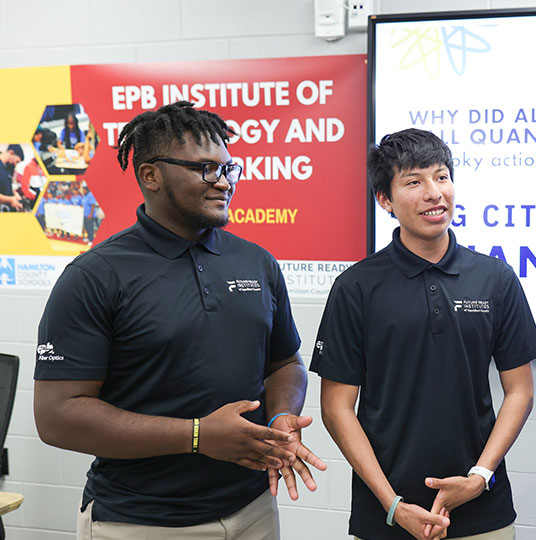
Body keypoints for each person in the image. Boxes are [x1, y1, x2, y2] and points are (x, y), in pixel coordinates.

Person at [34, 101, 326, 539]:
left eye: (230, 169)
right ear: (151, 175)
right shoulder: (96, 275)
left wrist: (281, 417)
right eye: (206, 169)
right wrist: (196, 435)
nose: (224, 182)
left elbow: (285, 364)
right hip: (140, 521)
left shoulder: (256, 262)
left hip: (253, 510)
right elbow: (56, 416)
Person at [311, 128, 536, 540]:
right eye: (414, 182)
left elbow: (520, 391)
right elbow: (336, 408)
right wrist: (393, 504)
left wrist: (479, 476)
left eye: (442, 176)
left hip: (482, 507)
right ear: (385, 199)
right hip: (386, 512)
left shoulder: (495, 278)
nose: (435, 193)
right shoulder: (356, 287)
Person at [0, 144, 24, 211]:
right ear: (11, 152)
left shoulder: (7, 168)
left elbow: (4, 187)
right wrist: (10, 200)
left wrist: (14, 193)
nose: (16, 164)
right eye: (17, 161)